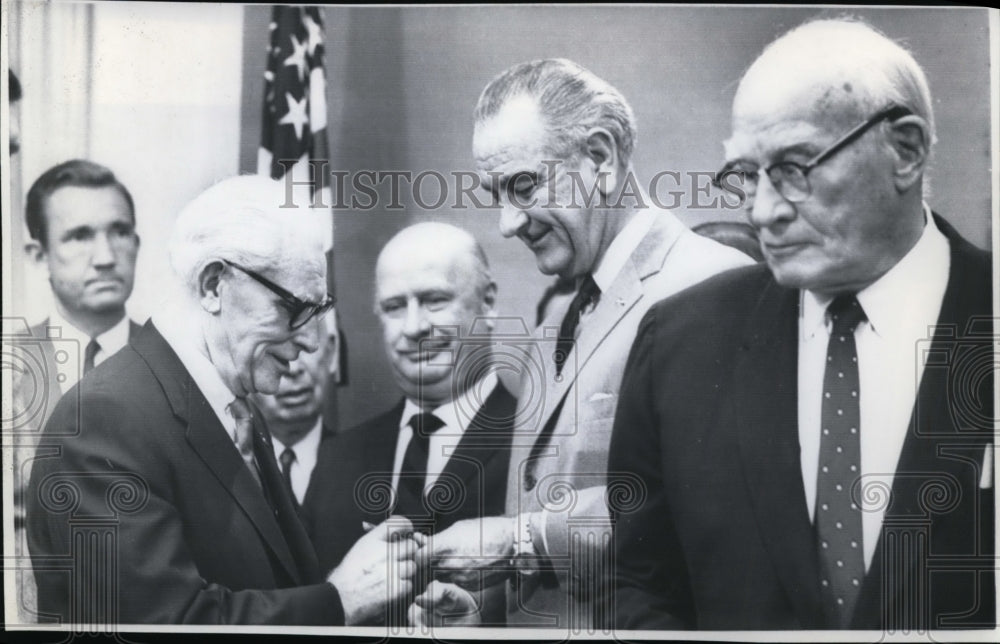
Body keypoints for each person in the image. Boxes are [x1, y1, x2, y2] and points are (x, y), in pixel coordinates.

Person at [609, 19, 994, 631]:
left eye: (793, 167)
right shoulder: (677, 346)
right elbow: (640, 585)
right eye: (745, 175)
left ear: (906, 149)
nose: (763, 211)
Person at [426, 58, 753, 629]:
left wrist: (517, 540)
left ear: (600, 158)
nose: (506, 222)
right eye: (495, 194)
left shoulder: (714, 286)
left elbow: (700, 507)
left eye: (523, 185)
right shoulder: (554, 328)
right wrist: (487, 615)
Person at [27, 175, 418, 625]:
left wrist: (360, 581)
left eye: (318, 312)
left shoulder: (239, 410)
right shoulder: (103, 419)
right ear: (214, 285)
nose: (311, 343)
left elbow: (267, 585)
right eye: (293, 310)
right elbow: (164, 625)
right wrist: (340, 599)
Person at [303, 222, 516, 627]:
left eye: (434, 300)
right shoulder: (337, 458)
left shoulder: (542, 443)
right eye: (394, 306)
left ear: (487, 303)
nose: (414, 327)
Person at [10, 159, 142, 622]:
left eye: (119, 231)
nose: (105, 255)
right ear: (38, 254)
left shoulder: (185, 365)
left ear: (137, 243)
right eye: (79, 236)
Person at [251, 310, 339, 507]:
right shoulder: (233, 474)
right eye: (275, 352)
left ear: (332, 352)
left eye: (305, 347)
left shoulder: (365, 467)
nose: (294, 368)